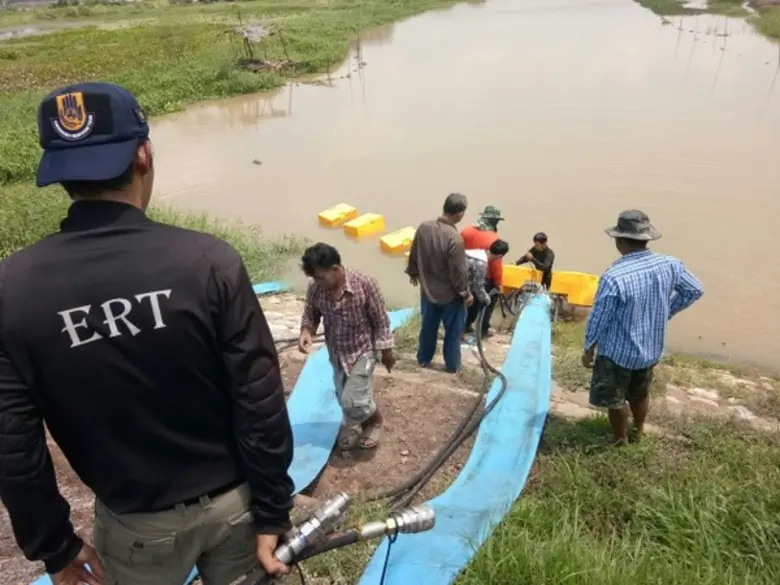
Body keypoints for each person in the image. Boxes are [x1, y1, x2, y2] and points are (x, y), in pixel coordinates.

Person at [0, 82, 294, 585]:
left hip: (134, 528)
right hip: (235, 509)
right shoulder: (208, 262)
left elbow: (13, 444)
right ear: (144, 155)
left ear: (57, 173)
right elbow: (259, 400)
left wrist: (55, 545)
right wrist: (272, 510)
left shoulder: (13, 289)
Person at [582, 210, 703, 446]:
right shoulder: (670, 264)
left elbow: (600, 317)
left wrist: (588, 348)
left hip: (617, 353)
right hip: (649, 349)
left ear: (619, 241)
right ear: (646, 239)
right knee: (640, 394)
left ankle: (620, 440)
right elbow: (694, 290)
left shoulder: (614, 276)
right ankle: (639, 431)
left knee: (615, 399)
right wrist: (666, 311)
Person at [298, 243, 395, 450]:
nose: (316, 282)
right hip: (336, 352)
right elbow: (310, 315)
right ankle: (360, 423)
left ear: (335, 269)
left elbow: (381, 321)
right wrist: (306, 331)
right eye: (314, 278)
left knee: (353, 400)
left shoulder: (365, 283)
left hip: (363, 350)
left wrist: (387, 352)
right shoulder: (316, 288)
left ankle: (376, 421)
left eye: (320, 277)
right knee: (344, 397)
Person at [406, 193, 472, 373]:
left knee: (428, 328)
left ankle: (423, 360)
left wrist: (413, 271)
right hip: (450, 296)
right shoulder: (455, 239)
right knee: (453, 332)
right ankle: (452, 366)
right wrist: (465, 293)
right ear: (460, 213)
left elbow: (414, 251)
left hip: (428, 291)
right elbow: (459, 271)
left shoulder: (424, 228)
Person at [461, 205, 505, 336]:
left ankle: (464, 326)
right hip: (486, 275)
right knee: (487, 302)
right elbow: (496, 263)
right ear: (495, 221)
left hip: (465, 272)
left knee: (469, 302)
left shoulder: (466, 231)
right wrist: (499, 283)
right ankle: (483, 330)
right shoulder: (494, 238)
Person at [464, 239, 510, 337]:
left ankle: (460, 332)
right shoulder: (481, 263)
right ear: (500, 256)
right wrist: (487, 299)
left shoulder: (476, 252)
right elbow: (478, 287)